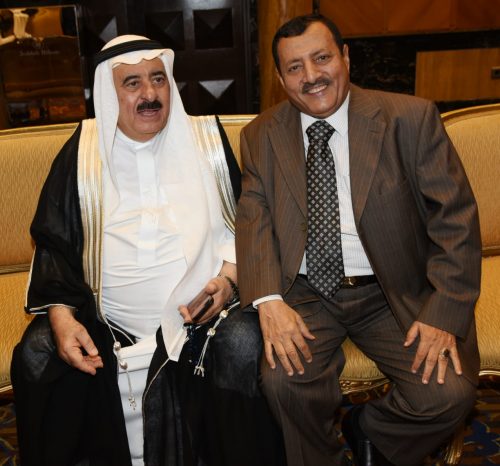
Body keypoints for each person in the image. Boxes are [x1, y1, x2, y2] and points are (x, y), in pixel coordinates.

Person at [12, 35, 284, 466]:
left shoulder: (206, 142)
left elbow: (248, 226)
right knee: (37, 350)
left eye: (158, 79)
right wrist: (62, 317)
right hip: (106, 324)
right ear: (109, 93)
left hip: (202, 321)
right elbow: (54, 243)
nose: (150, 94)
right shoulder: (83, 153)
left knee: (243, 342)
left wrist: (229, 282)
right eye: (132, 83)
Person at [235, 14, 481, 466]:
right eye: (294, 67)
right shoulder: (260, 137)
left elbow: (456, 221)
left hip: (392, 290)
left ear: (345, 58)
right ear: (280, 79)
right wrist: (268, 299)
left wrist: (442, 312)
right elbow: (255, 223)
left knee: (448, 394)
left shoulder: (410, 119)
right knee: (283, 383)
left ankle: (370, 431)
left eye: (322, 58)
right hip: (307, 293)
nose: (311, 76)